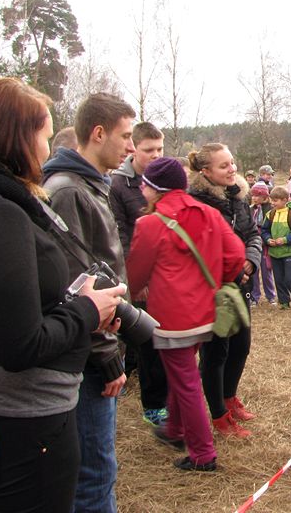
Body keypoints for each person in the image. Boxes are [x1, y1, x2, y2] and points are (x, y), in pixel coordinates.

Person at [0, 77, 123, 513]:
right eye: (45, 137)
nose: (47, 151)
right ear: (17, 138)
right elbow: (21, 341)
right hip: (28, 414)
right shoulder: (5, 211)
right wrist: (89, 312)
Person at [42, 92, 135, 512]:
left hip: (98, 344)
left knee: (100, 469)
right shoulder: (67, 192)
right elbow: (72, 286)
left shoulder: (91, 186)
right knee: (94, 476)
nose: (131, 148)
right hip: (87, 356)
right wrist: (106, 356)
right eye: (126, 136)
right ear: (98, 134)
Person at [127, 157, 245, 472]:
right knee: (185, 375)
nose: (141, 189)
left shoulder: (149, 223)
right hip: (207, 312)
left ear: (156, 189)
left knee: (185, 380)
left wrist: (135, 291)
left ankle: (202, 454)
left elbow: (136, 273)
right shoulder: (209, 213)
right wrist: (218, 282)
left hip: (172, 318)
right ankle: (175, 429)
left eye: (145, 185)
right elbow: (235, 255)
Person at [187, 143, 262, 438]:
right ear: (205, 172)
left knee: (241, 345)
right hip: (214, 288)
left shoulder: (239, 198)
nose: (232, 169)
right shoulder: (198, 203)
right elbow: (199, 249)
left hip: (240, 282)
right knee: (216, 352)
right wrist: (232, 268)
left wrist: (251, 262)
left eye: (232, 163)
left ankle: (230, 398)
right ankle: (219, 414)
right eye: (223, 166)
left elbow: (253, 234)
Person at [109, 121, 168, 426]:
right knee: (149, 339)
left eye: (160, 149)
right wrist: (135, 281)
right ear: (134, 149)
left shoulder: (166, 178)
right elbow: (120, 235)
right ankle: (154, 404)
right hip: (138, 272)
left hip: (167, 272)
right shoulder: (120, 185)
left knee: (167, 336)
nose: (156, 155)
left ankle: (168, 394)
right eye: (149, 150)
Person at [261, 186, 291, 309]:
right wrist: (267, 239)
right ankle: (284, 301)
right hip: (274, 253)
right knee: (279, 279)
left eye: (275, 200)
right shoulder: (270, 214)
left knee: (290, 278)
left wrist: (285, 240)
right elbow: (264, 230)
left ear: (285, 200)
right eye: (272, 200)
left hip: (289, 252)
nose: (272, 203)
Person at [250, 182, 277, 306]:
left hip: (266, 245)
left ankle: (271, 295)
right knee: (254, 273)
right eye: (253, 195)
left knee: (267, 272)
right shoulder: (250, 210)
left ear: (265, 197)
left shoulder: (271, 210)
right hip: (253, 246)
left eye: (257, 196)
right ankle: (254, 296)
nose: (254, 198)